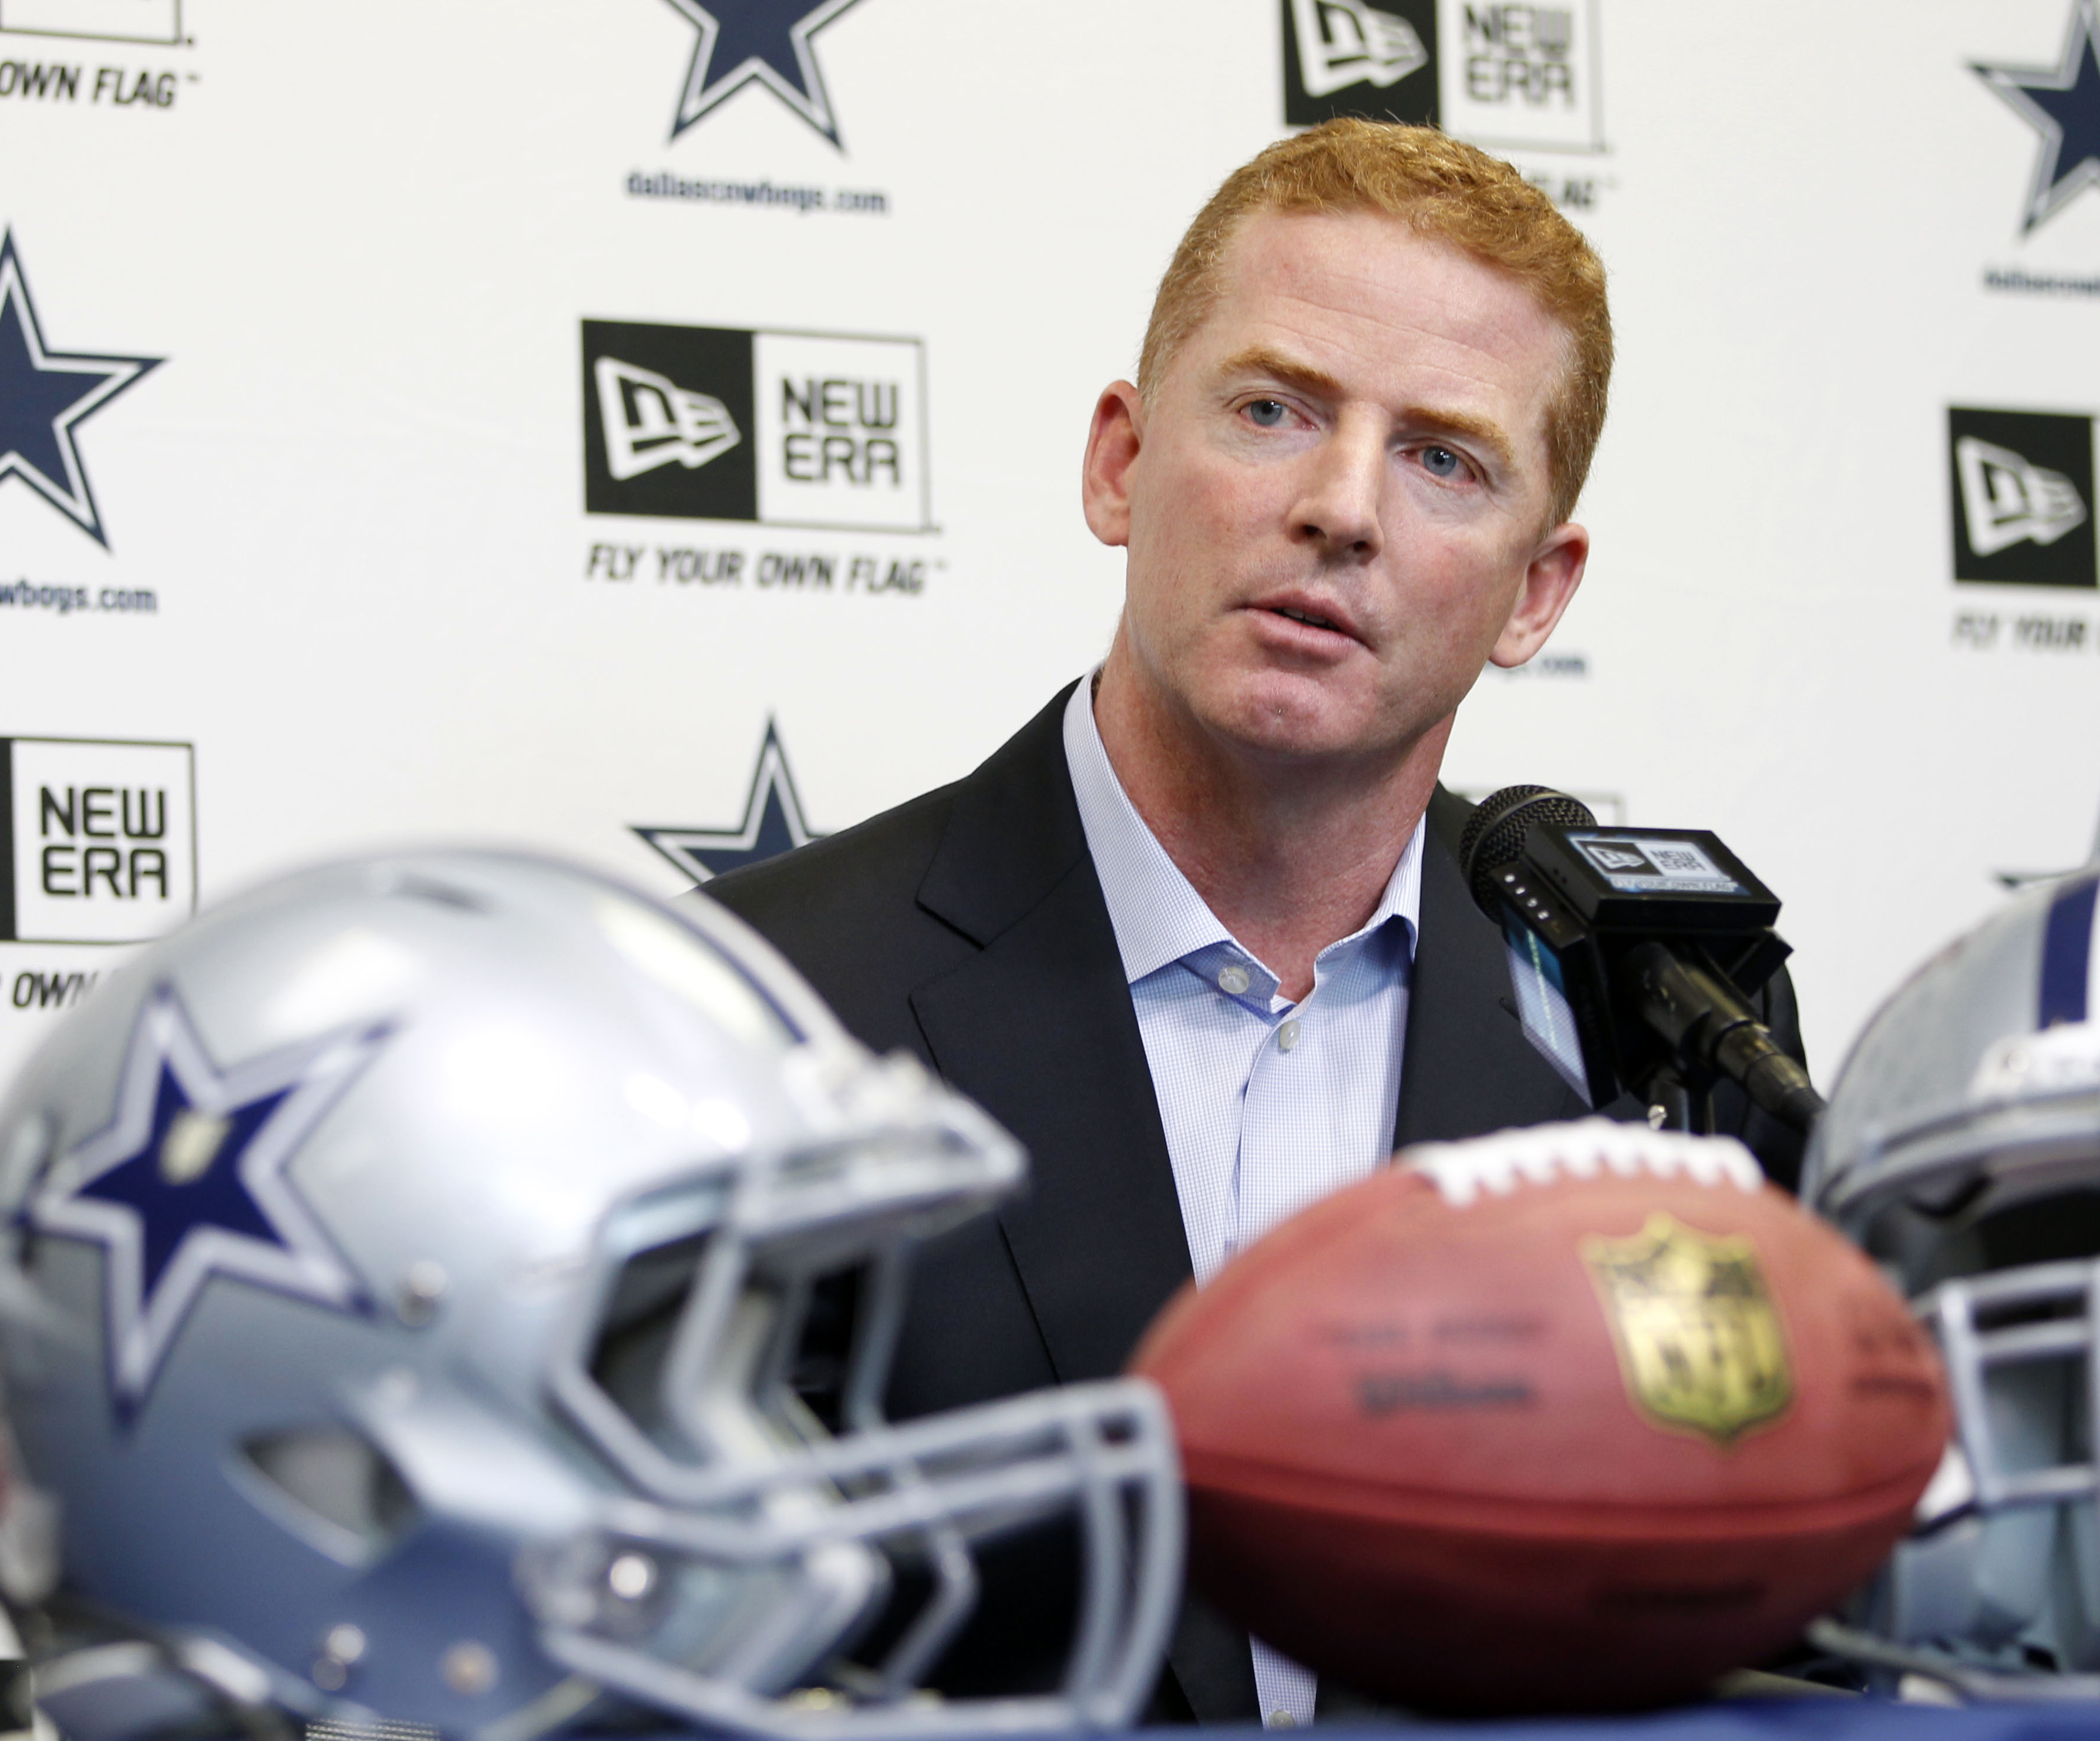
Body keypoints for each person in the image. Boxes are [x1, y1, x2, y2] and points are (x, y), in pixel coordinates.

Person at [699, 117, 1802, 1725]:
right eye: (1275, 409)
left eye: (1445, 458)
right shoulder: (752, 1006)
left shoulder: (1662, 1043)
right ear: (1121, 462)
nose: (1342, 509)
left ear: (1536, 592)